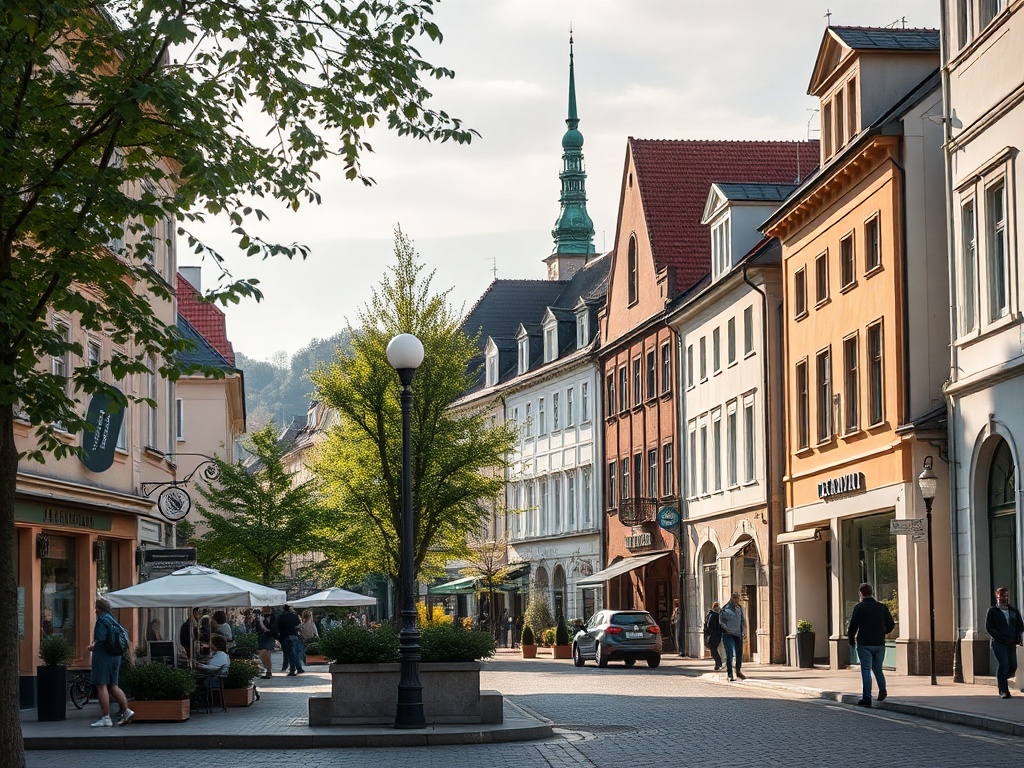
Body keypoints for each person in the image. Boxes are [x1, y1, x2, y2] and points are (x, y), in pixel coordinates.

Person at [847, 582, 896, 707]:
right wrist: (883, 632)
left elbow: (853, 626)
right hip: (879, 643)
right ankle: (882, 689)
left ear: (861, 593)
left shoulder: (859, 608)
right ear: (871, 593)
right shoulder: (881, 607)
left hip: (864, 643)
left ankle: (867, 698)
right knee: (878, 668)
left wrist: (851, 639)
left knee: (866, 670)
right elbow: (891, 624)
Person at [88, 598, 134, 727]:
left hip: (103, 657)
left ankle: (106, 718)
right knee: (113, 685)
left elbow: (101, 640)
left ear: (98, 609)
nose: (95, 610)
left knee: (101, 685)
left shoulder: (102, 621)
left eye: (95, 608)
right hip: (116, 657)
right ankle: (126, 711)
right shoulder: (113, 620)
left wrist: (92, 647)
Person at [985, 586, 1024, 699]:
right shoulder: (993, 611)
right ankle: (1003, 690)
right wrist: (999, 636)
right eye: (1001, 595)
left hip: (1011, 643)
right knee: (1004, 664)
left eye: (1005, 595)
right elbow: (989, 627)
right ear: (997, 596)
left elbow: (1020, 626)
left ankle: (1002, 679)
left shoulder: (1013, 611)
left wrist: (1017, 635)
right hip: (999, 643)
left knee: (1013, 666)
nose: (1003, 597)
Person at [719, 593, 746, 681]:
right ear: (733, 599)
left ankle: (738, 671)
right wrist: (727, 629)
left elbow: (743, 621)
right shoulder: (725, 609)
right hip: (728, 634)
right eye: (737, 598)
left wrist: (744, 631)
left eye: (739, 598)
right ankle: (730, 673)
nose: (739, 600)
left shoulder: (740, 608)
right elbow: (721, 622)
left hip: (738, 634)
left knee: (739, 653)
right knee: (729, 653)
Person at [277, 604, 304, 676]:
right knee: (294, 652)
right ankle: (298, 668)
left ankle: (292, 670)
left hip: (285, 636)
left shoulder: (281, 616)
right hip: (293, 635)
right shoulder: (294, 616)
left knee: (290, 654)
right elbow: (298, 624)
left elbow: (278, 627)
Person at [256, 606, 277, 679]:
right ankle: (268, 671)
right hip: (262, 637)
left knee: (266, 654)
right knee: (263, 655)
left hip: (269, 637)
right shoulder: (261, 616)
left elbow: (273, 627)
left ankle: (268, 671)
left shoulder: (272, 617)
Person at [703, 601, 723, 671]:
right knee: (713, 650)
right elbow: (709, 625)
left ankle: (718, 663)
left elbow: (707, 625)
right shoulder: (714, 615)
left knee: (713, 650)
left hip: (713, 635)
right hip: (715, 634)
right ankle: (718, 663)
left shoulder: (710, 614)